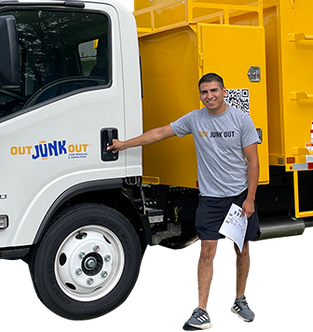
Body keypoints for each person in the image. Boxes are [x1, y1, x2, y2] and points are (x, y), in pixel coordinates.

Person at [107, 72, 260, 330]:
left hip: (238, 198)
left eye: (214, 90)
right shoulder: (194, 118)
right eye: (204, 92)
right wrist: (124, 144)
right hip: (210, 199)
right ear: (200, 95)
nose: (209, 96)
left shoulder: (241, 120)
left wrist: (250, 199)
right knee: (207, 252)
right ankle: (201, 312)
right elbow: (159, 133)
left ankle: (240, 300)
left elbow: (253, 162)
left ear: (224, 91)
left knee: (241, 249)